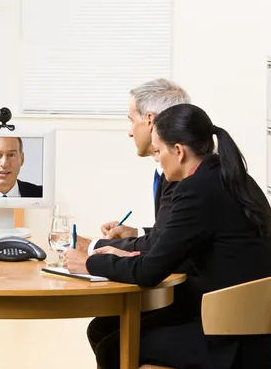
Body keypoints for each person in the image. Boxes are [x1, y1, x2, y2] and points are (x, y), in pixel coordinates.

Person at [64, 103, 271, 369]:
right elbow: (192, 249)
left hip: (239, 340)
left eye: (157, 151)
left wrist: (87, 263)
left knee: (113, 346)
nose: (156, 159)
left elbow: (149, 273)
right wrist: (130, 253)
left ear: (178, 151)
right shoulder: (230, 176)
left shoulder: (195, 190)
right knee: (109, 329)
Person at [76, 78, 191, 352]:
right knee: (103, 328)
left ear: (150, 121)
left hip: (200, 299)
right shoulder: (188, 165)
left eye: (131, 120)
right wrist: (137, 233)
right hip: (201, 290)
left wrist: (94, 249)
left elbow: (158, 253)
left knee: (110, 340)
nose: (129, 132)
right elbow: (175, 233)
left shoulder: (184, 175)